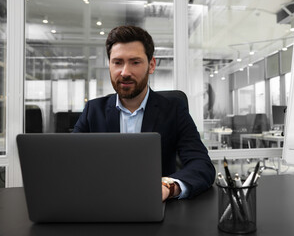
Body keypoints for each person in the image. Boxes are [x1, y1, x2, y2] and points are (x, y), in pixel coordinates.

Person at [73, 25, 215, 201]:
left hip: (157, 207)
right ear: (109, 64)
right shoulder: (92, 111)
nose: (125, 72)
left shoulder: (174, 109)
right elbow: (71, 163)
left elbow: (201, 165)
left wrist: (169, 187)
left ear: (151, 65)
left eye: (135, 62)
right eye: (117, 62)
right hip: (103, 204)